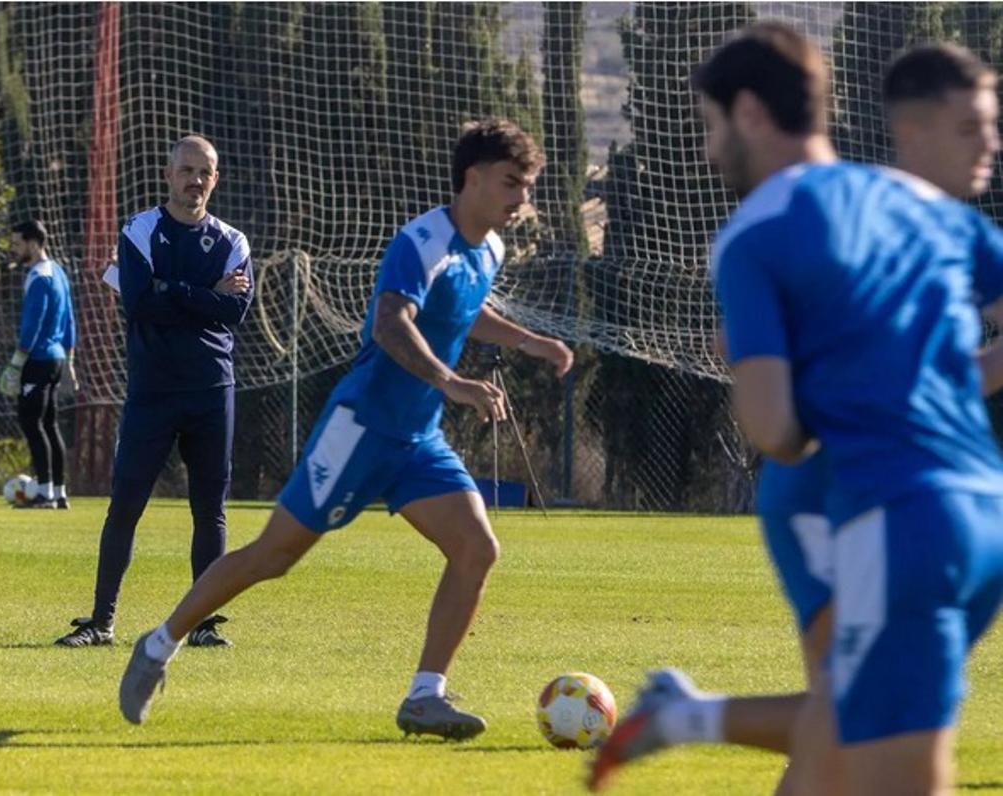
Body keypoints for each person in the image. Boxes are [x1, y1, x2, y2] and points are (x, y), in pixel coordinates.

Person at [590, 25, 1003, 794]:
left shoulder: (757, 235)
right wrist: (935, 381)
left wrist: (789, 372)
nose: (710, 153)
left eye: (711, 127)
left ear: (749, 112)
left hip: (897, 518)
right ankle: (686, 717)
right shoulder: (913, 198)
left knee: (886, 768)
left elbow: (774, 431)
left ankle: (685, 717)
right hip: (984, 516)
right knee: (849, 729)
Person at [117, 118, 573, 739]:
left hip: (417, 440)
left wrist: (530, 342)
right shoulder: (421, 241)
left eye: (527, 185)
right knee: (272, 557)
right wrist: (452, 382)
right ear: (473, 179)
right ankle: (159, 643)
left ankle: (424, 695)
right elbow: (392, 324)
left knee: (477, 549)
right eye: (512, 183)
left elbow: (467, 309)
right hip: (358, 430)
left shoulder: (488, 248)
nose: (523, 198)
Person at [54, 135, 252, 649]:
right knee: (125, 505)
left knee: (210, 509)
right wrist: (203, 295)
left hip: (212, 388)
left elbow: (235, 312)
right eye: (186, 170)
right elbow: (140, 305)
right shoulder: (141, 231)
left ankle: (205, 625)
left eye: (203, 173)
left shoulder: (233, 241)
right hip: (152, 392)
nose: (194, 181)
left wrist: (172, 290)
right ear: (169, 174)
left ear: (215, 178)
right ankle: (101, 622)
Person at [0, 220, 77, 511]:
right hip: (56, 358)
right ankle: (58, 492)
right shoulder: (58, 272)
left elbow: (33, 322)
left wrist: (17, 362)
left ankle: (44, 492)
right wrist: (70, 362)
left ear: (33, 243)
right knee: (48, 423)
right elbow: (70, 319)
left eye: (17, 244)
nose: (15, 249)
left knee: (31, 423)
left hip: (39, 358)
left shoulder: (39, 275)